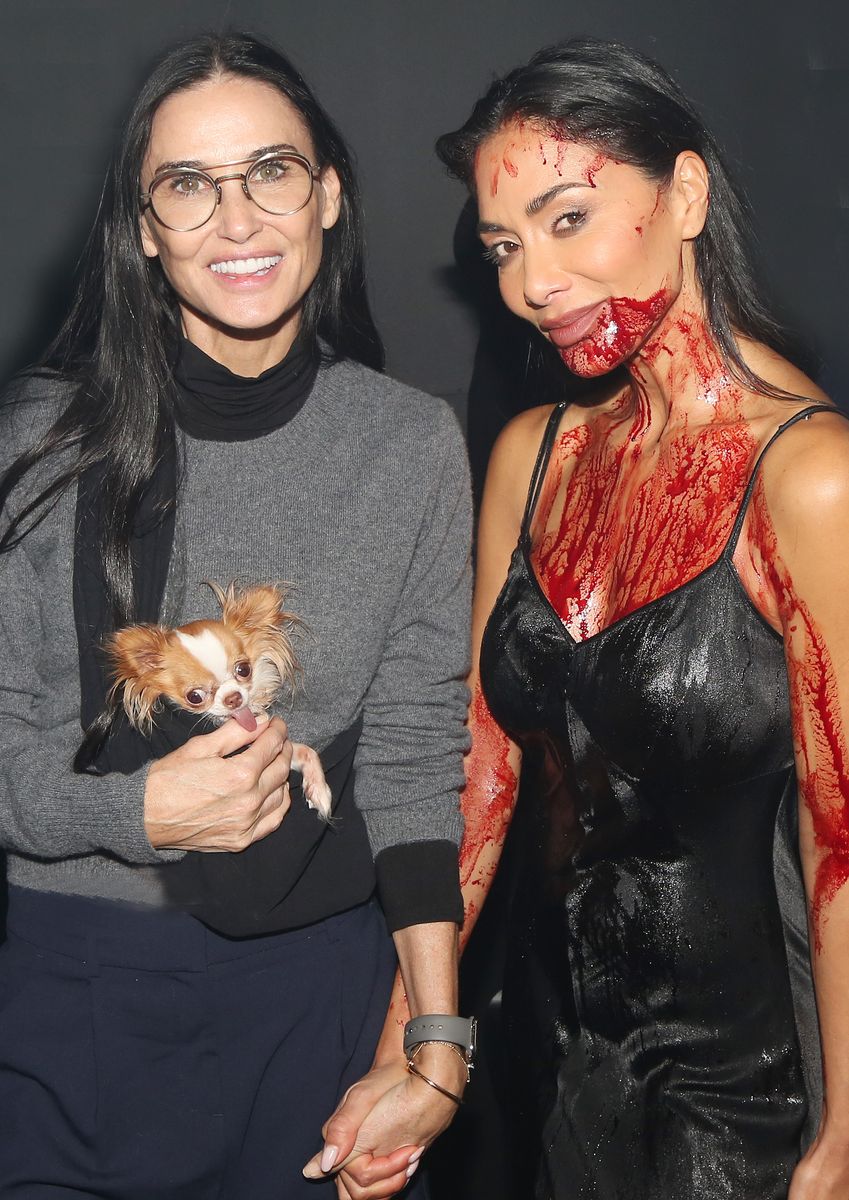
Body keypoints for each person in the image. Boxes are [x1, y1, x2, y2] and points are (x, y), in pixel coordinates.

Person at [0, 31, 472, 1200]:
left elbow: (417, 760)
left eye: (272, 171)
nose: (237, 219)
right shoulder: (39, 444)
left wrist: (437, 1048)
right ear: (145, 230)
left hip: (317, 1002)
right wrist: (133, 810)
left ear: (327, 197)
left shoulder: (410, 446)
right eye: (188, 186)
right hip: (78, 1007)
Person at [433, 37, 849, 1200]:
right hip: (539, 1056)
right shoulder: (536, 453)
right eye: (504, 248)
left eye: (570, 220)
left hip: (738, 1096)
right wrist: (415, 1035)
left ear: (689, 194)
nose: (532, 283)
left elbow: (844, 834)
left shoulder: (807, 476)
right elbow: (480, 770)